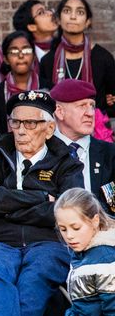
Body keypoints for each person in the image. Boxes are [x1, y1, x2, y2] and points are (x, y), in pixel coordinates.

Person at [0, 89, 84, 316]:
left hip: (48, 242)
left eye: (31, 123)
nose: (21, 130)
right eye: (16, 122)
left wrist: (6, 205)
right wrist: (40, 198)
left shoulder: (67, 163)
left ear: (49, 129)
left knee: (34, 276)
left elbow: (65, 211)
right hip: (1, 241)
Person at [0, 188, 115, 316]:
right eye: (63, 229)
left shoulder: (104, 257)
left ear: (95, 221)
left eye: (76, 228)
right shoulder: (81, 252)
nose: (69, 236)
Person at [39, 0, 115, 116]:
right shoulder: (48, 61)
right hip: (58, 129)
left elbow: (112, 102)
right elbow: (45, 100)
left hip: (95, 129)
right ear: (58, 19)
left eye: (80, 12)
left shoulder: (103, 58)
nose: (73, 16)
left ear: (87, 22)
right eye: (67, 11)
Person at [52, 79, 115, 215]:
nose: (91, 113)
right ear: (60, 111)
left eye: (92, 105)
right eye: (82, 106)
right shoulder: (42, 150)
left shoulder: (110, 153)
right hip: (52, 231)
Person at [0, 31, 42, 137]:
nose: (20, 55)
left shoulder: (46, 88)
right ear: (6, 59)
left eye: (26, 50)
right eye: (14, 51)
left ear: (34, 56)